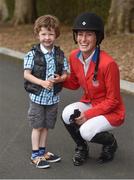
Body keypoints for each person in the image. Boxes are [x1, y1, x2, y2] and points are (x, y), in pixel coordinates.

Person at [61, 12, 125, 166]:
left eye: (89, 34)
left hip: (112, 111)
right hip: (90, 103)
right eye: (80, 34)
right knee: (66, 114)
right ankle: (82, 147)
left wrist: (87, 115)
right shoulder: (74, 56)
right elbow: (74, 83)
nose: (83, 39)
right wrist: (60, 80)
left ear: (98, 37)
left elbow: (113, 100)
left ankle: (110, 143)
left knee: (86, 131)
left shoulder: (108, 64)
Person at [23, 14, 69, 169]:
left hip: (53, 98)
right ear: (38, 34)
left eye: (51, 34)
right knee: (38, 126)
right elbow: (26, 74)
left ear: (56, 35)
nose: (47, 37)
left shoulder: (60, 55)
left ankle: (43, 152)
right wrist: (42, 82)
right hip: (37, 97)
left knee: (47, 126)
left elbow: (65, 74)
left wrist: (59, 79)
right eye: (43, 34)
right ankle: (35, 155)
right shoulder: (32, 54)